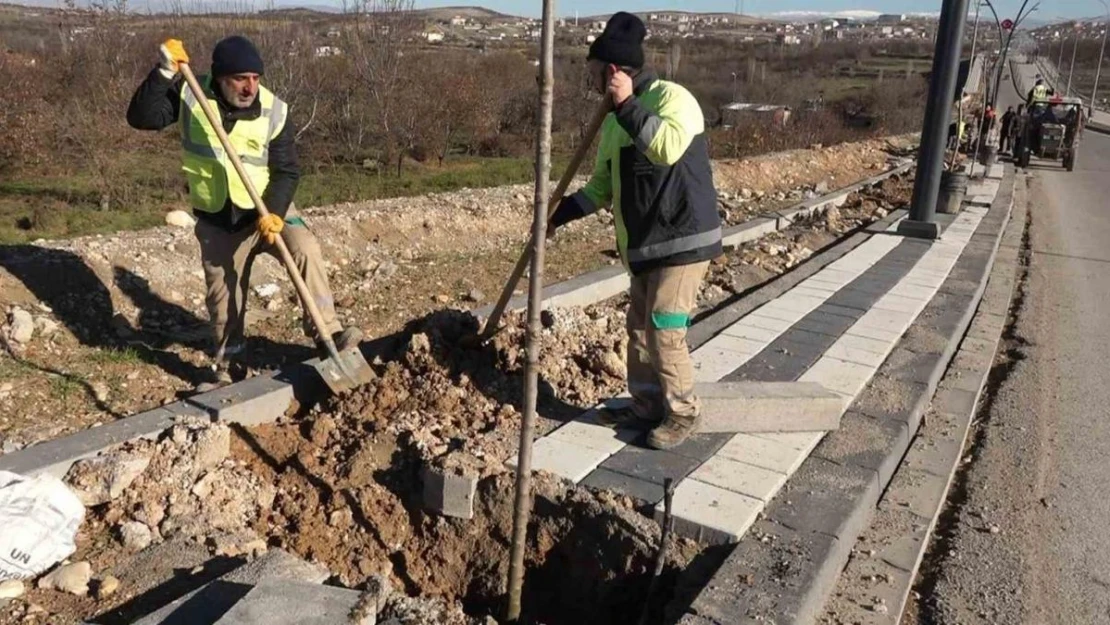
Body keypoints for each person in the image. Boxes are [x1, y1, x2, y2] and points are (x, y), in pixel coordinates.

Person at [126, 36, 361, 391]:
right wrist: (163, 73)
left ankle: (329, 335)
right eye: (240, 78)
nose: (250, 86)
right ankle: (230, 367)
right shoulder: (191, 91)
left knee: (305, 249)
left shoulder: (274, 110)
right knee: (224, 297)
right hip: (219, 219)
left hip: (267, 208)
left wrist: (276, 213)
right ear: (220, 77)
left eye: (255, 77)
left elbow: (287, 171)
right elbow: (142, 118)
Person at [547, 12, 722, 450]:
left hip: (682, 242)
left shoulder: (673, 99)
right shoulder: (611, 124)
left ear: (612, 70)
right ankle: (646, 405)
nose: (590, 80)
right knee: (639, 330)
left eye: (593, 72)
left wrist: (627, 105)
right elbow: (602, 189)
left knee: (664, 329)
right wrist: (558, 214)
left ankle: (682, 412)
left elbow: (665, 149)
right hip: (644, 245)